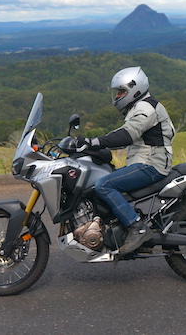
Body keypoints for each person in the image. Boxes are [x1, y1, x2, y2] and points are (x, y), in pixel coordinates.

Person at [75, 66, 175, 254]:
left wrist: (93, 142)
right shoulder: (138, 107)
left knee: (103, 185)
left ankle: (137, 227)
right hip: (144, 162)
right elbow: (121, 135)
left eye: (122, 91)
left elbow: (127, 135)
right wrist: (96, 146)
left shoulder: (146, 107)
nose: (118, 96)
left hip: (152, 165)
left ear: (134, 88)